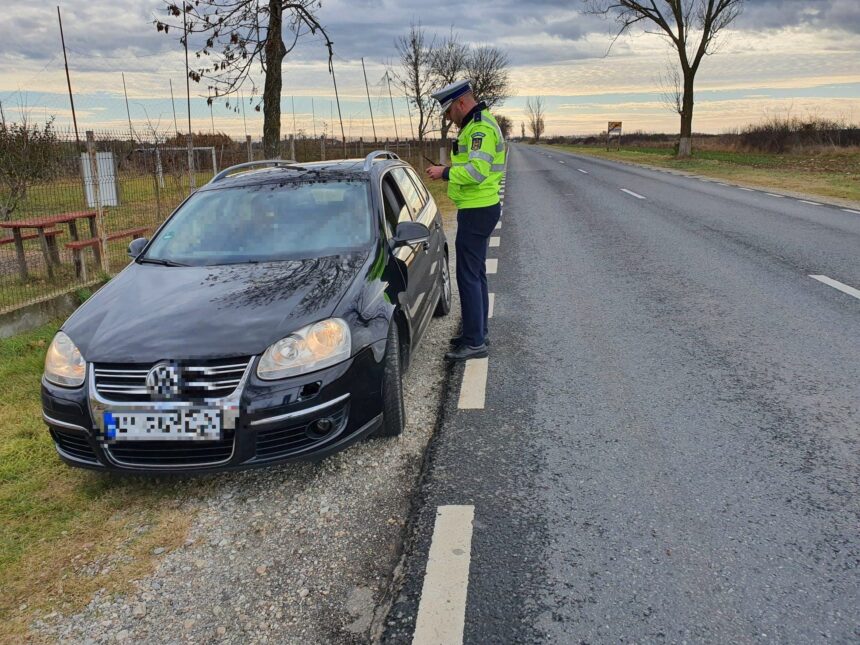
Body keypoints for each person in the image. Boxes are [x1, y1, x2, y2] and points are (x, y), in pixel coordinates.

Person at [426, 79, 505, 361]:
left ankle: (474, 342)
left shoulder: (480, 128)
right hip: (479, 207)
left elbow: (476, 172)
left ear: (461, 103)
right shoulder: (476, 125)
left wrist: (444, 173)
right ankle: (477, 332)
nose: (449, 118)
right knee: (477, 274)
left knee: (468, 276)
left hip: (477, 208)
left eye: (449, 112)